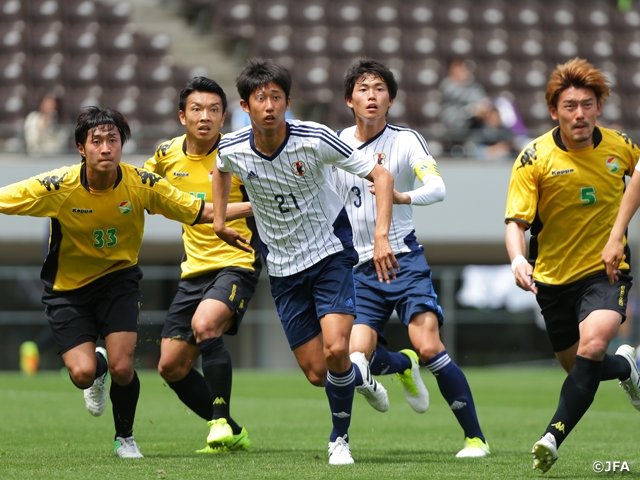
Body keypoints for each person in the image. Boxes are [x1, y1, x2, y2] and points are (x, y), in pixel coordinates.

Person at [0, 106, 217, 458]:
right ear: (81, 148)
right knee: (83, 374)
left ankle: (125, 438)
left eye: (112, 140)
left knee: (122, 366)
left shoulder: (141, 184)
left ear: (121, 145)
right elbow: (4, 198)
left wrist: (257, 206)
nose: (105, 148)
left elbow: (199, 210)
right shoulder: (58, 186)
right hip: (67, 291)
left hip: (119, 281)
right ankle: (95, 367)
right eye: (96, 141)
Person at [211, 57, 398, 466]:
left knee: (335, 351)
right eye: (260, 98)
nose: (269, 106)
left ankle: (339, 439)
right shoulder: (231, 146)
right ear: (245, 107)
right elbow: (220, 170)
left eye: (277, 97)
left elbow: (381, 177)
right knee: (319, 373)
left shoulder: (314, 138)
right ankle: (366, 371)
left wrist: (381, 237)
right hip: (281, 269)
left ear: (288, 101)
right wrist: (221, 219)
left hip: (329, 254)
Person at [332, 58, 490, 458]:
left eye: (380, 88)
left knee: (429, 347)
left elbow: (436, 187)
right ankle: (400, 367)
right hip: (359, 269)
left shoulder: (405, 140)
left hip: (403, 260)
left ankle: (475, 439)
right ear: (349, 99)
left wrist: (403, 195)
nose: (372, 95)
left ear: (391, 99)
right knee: (352, 361)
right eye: (364, 89)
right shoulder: (336, 144)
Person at [504, 57, 640, 474]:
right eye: (569, 106)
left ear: (599, 106)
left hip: (605, 272)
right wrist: (516, 260)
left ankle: (551, 437)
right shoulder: (534, 158)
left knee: (593, 346)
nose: (578, 114)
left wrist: (617, 236)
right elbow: (516, 222)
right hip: (551, 279)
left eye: (586, 104)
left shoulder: (622, 147)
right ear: (553, 111)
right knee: (582, 366)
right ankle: (629, 366)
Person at [143, 77, 260, 454]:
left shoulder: (240, 153)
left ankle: (221, 421)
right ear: (182, 116)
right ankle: (234, 431)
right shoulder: (166, 154)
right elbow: (142, 189)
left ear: (223, 117)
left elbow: (266, 201)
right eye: (196, 109)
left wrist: (216, 213)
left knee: (206, 324)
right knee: (171, 366)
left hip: (237, 260)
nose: (204, 117)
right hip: (193, 269)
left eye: (213, 110)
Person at [438, 59, 488, 144]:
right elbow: (461, 96)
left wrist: (482, 107)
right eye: (458, 71)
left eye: (463, 70)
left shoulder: (473, 86)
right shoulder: (447, 85)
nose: (462, 73)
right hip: (454, 126)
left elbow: (482, 100)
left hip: (473, 125)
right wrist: (472, 109)